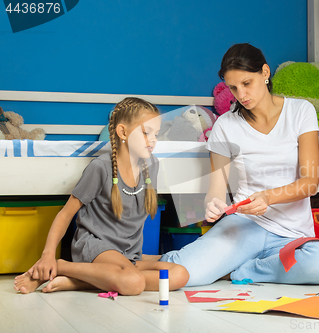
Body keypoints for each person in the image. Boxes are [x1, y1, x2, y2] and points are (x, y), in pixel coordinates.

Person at [157, 43, 319, 286]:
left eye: (247, 83)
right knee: (182, 275)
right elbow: (216, 188)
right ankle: (167, 261)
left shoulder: (300, 111)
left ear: (265, 73)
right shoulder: (225, 125)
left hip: (291, 234)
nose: (241, 95)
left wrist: (267, 198)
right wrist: (213, 205)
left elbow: (310, 183)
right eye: (233, 88)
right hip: (243, 226)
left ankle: (241, 270)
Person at [14, 97, 189, 295]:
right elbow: (65, 214)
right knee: (134, 283)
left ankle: (77, 281)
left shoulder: (152, 164)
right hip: (95, 247)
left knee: (180, 274)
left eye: (156, 133)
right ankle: (60, 266)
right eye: (146, 132)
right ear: (123, 132)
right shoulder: (101, 168)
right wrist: (47, 256)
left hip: (128, 255)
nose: (154, 140)